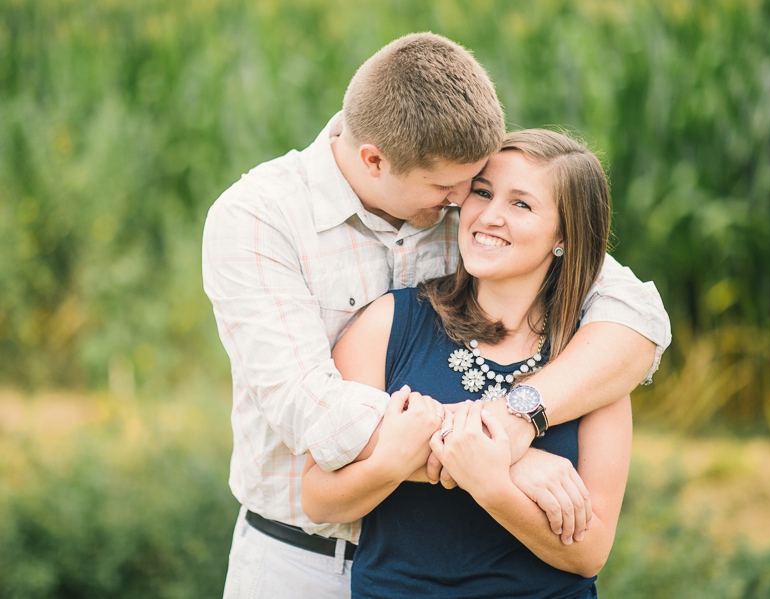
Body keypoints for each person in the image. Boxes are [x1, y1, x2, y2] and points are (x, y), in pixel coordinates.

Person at [202, 33, 669, 599]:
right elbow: (314, 408)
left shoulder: (464, 192)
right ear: (374, 160)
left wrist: (515, 421)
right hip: (302, 561)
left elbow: (636, 315)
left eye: (472, 186)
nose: (461, 204)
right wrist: (498, 459)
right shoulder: (259, 219)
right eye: (455, 188)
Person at [302, 129, 632, 598]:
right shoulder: (390, 323)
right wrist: (396, 461)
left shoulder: (590, 362)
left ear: (564, 235)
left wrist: (493, 483)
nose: (489, 216)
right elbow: (318, 498)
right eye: (482, 192)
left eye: (521, 204)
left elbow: (588, 552)